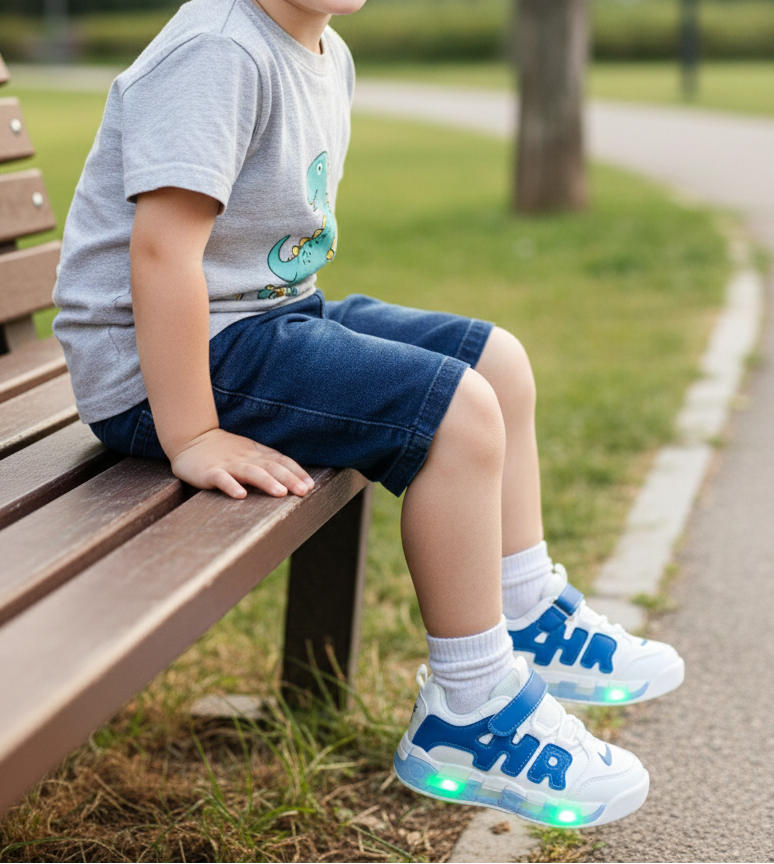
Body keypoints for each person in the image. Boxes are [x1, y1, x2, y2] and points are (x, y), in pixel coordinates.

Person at [52, 0, 684, 829]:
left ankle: (523, 607)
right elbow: (163, 252)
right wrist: (193, 433)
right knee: (455, 416)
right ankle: (469, 711)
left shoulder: (324, 51)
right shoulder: (218, 52)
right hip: (158, 367)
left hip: (260, 320)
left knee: (496, 362)